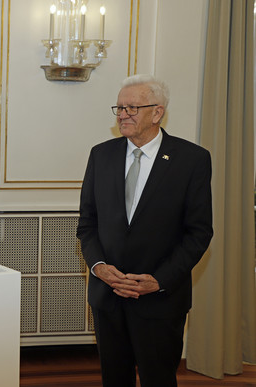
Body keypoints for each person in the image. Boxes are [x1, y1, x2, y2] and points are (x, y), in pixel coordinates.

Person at [76, 74, 213, 387]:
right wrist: (98, 267)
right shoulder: (101, 155)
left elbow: (199, 233)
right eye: (120, 108)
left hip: (159, 300)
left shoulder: (191, 160)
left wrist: (159, 281)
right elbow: (87, 223)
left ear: (157, 112)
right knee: (115, 379)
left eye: (132, 108)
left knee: (158, 380)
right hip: (108, 297)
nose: (123, 115)